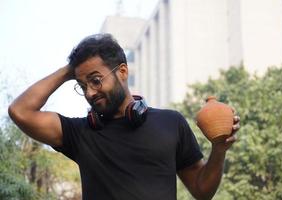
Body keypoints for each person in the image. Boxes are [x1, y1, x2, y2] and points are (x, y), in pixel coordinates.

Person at [8, 33, 240, 200]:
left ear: (122, 71)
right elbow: (20, 111)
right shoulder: (79, 133)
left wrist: (219, 150)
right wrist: (71, 69)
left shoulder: (172, 122)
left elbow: (202, 191)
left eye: (96, 80)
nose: (89, 92)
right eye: (82, 84)